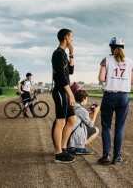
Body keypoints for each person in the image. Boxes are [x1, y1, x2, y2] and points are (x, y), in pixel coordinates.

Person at [98, 37, 133, 165]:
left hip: (109, 95)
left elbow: (101, 78)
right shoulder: (131, 62)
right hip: (123, 96)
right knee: (119, 128)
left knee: (106, 126)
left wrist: (111, 79)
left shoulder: (106, 60)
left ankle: (106, 155)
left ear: (111, 48)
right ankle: (117, 156)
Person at [51, 29, 77, 164]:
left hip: (64, 91)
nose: (72, 39)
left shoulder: (64, 54)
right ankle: (58, 153)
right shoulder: (57, 54)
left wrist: (72, 54)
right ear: (66, 37)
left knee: (72, 120)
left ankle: (63, 147)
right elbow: (60, 77)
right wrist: (71, 94)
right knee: (60, 122)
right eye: (71, 37)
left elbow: (70, 72)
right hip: (60, 92)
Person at [67, 90, 100, 155]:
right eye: (86, 99)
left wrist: (88, 112)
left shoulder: (72, 106)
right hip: (74, 135)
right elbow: (91, 125)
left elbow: (78, 115)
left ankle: (71, 147)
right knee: (96, 130)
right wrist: (95, 113)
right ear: (83, 99)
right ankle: (79, 148)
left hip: (67, 135)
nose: (87, 101)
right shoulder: (82, 110)